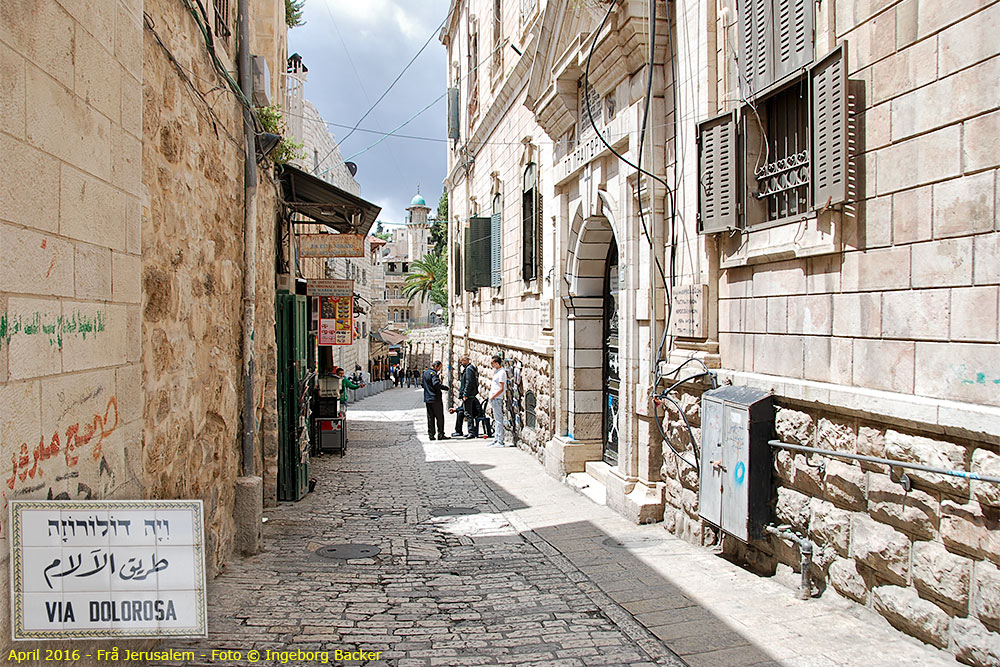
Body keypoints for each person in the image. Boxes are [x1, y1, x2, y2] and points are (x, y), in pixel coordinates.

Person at [454, 355, 482, 439]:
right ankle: (470, 431)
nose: (461, 363)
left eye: (462, 361)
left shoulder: (469, 369)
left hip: (469, 395)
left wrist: (465, 394)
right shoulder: (469, 369)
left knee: (468, 413)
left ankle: (471, 432)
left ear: (465, 360)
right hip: (469, 394)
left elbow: (468, 382)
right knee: (466, 413)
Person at [421, 361, 450, 440]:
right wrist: (445, 388)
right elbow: (436, 384)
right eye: (439, 367)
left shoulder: (425, 373)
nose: (439, 369)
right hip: (435, 399)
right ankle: (440, 434)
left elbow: (423, 384)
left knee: (430, 417)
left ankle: (431, 435)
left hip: (428, 399)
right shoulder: (434, 374)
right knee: (439, 417)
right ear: (436, 367)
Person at [487, 355, 507, 448]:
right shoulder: (497, 372)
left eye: (492, 363)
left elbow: (502, 388)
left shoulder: (502, 373)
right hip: (494, 398)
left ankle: (500, 440)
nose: (491, 365)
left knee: (499, 419)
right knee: (496, 419)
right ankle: (496, 438)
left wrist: (494, 396)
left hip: (497, 398)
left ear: (497, 363)